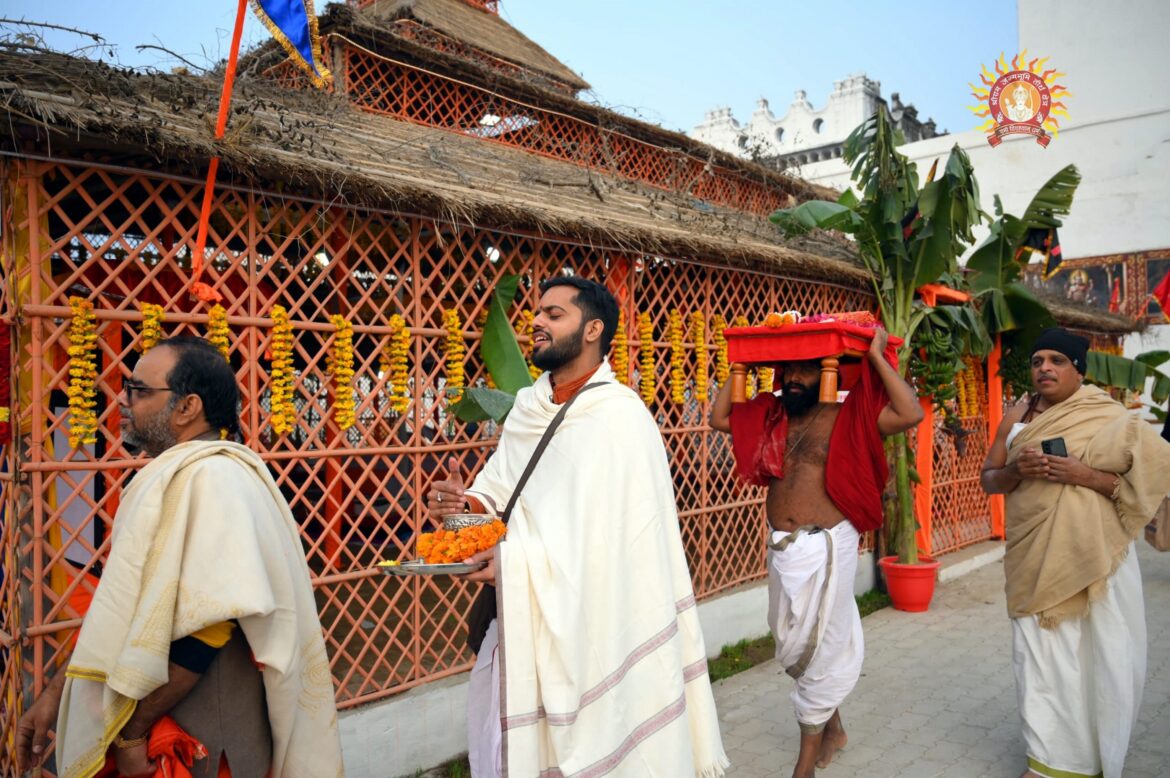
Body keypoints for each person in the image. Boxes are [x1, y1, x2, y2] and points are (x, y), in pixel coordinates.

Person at [428, 277, 727, 777]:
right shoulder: (528, 408)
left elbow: (614, 548)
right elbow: (499, 500)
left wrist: (514, 563)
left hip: (596, 631)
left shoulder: (621, 420)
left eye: (554, 314)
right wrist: (459, 507)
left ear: (592, 330)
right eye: (537, 312)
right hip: (518, 624)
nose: (536, 322)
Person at [16, 336, 343, 778]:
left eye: (139, 390)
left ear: (188, 407)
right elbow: (120, 611)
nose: (123, 400)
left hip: (198, 742)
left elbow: (209, 627)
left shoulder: (214, 479)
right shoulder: (185, 474)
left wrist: (133, 734)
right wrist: (56, 696)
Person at [709, 328, 923, 778]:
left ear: (829, 374)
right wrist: (741, 363)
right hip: (783, 547)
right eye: (788, 369)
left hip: (827, 544)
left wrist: (876, 356)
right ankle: (835, 728)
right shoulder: (772, 416)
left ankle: (803, 763)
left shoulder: (849, 417)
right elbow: (720, 417)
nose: (794, 378)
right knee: (792, 642)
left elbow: (910, 412)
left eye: (806, 370)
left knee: (819, 646)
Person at [981, 327, 1170, 778]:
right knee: (1039, 658)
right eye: (1037, 361)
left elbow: (1145, 480)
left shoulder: (1109, 416)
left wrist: (1082, 475)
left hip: (1096, 557)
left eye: (1057, 361)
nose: (1044, 368)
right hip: (1033, 556)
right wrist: (1016, 470)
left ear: (1078, 370)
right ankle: (1048, 762)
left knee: (1100, 654)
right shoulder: (1018, 414)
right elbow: (989, 478)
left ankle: (1095, 755)